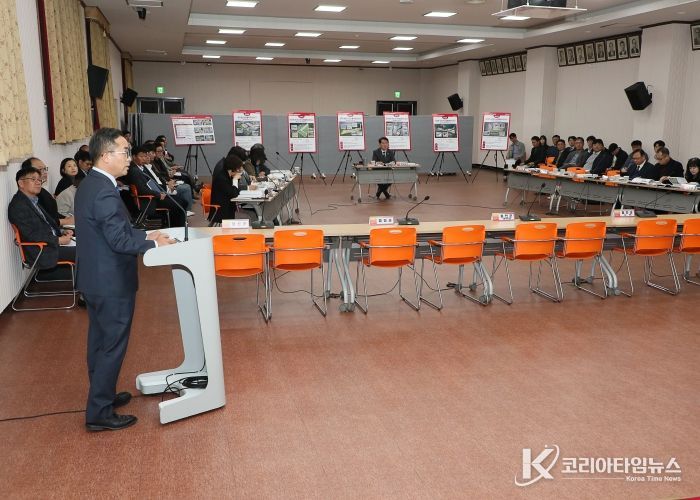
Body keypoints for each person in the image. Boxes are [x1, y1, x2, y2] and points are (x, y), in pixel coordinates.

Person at [75, 128, 174, 432]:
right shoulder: (104, 190)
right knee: (112, 346)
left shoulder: (91, 184)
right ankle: (99, 413)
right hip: (110, 282)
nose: (129, 158)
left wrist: (147, 234)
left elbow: (113, 230)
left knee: (99, 342)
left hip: (95, 278)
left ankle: (102, 394)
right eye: (125, 152)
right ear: (106, 156)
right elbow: (118, 240)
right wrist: (154, 244)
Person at [8, 166, 75, 270]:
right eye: (33, 179)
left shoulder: (33, 201)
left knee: (88, 244)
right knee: (85, 251)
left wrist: (62, 232)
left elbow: (46, 225)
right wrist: (59, 240)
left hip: (51, 245)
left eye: (39, 180)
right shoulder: (18, 206)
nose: (38, 182)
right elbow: (31, 234)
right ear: (21, 183)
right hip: (43, 251)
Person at [21, 157, 74, 225]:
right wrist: (66, 221)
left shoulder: (41, 190)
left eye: (45, 169)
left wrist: (66, 218)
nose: (45, 172)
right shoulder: (32, 195)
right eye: (40, 169)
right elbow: (43, 220)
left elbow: (53, 213)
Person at [209, 154, 245, 224]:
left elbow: (235, 190)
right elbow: (234, 194)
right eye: (238, 169)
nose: (239, 171)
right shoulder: (222, 178)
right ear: (233, 168)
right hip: (221, 210)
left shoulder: (227, 175)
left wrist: (236, 179)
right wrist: (235, 179)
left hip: (227, 206)